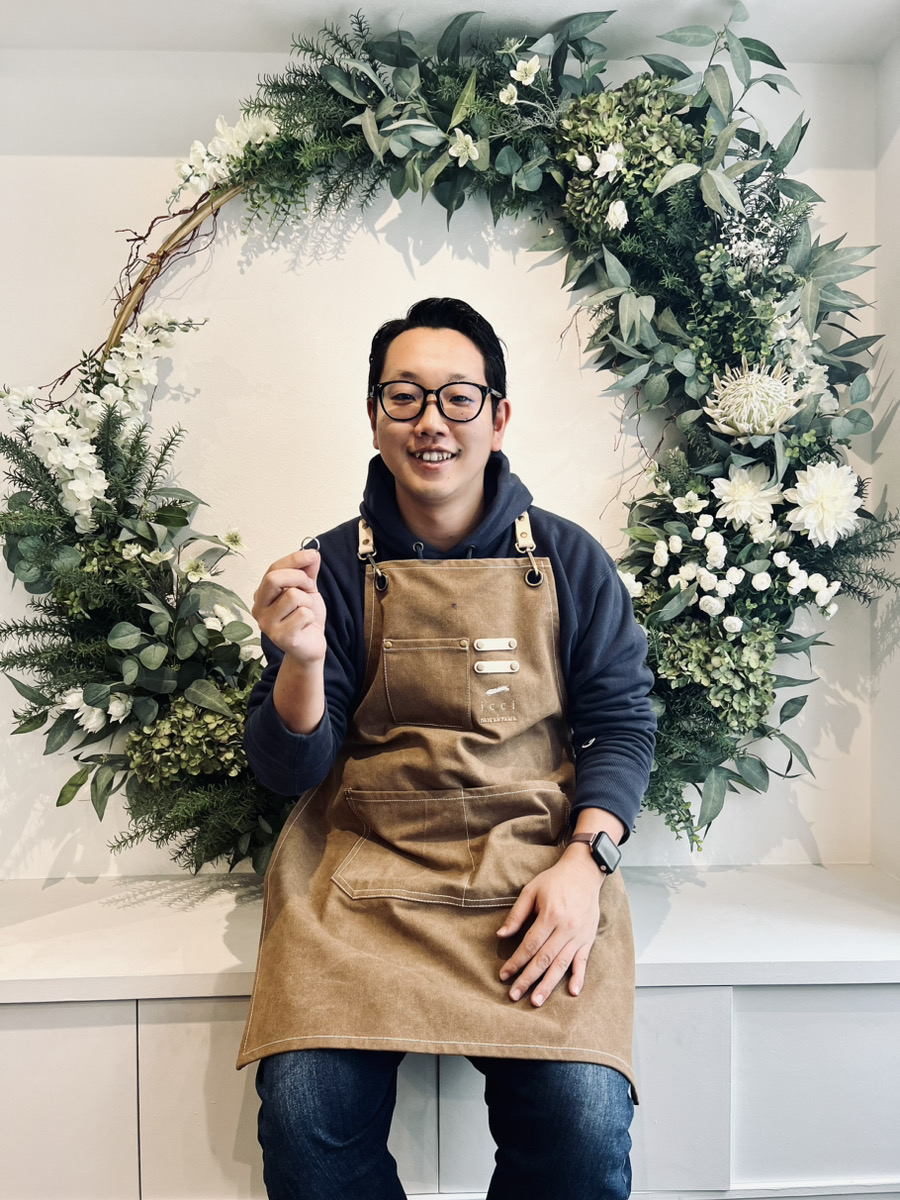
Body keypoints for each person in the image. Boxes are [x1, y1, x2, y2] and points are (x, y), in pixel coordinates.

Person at [238, 297, 656, 1200]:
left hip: (532, 876)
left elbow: (621, 723)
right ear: (375, 417)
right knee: (304, 1112)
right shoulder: (326, 570)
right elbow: (287, 770)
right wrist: (301, 660)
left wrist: (585, 864)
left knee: (582, 1126)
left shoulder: (570, 560)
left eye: (458, 397)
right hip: (361, 882)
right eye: (405, 396)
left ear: (498, 418)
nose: (431, 421)